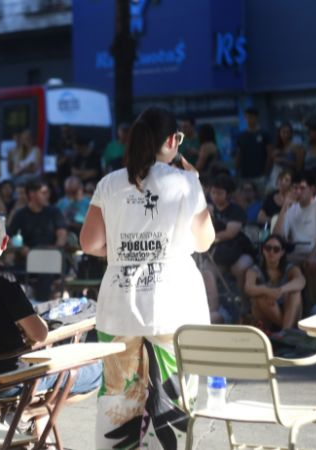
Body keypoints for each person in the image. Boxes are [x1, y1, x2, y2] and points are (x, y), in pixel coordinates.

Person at [80, 107, 215, 449]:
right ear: (172, 141)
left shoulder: (110, 183)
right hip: (172, 306)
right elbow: (204, 241)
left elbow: (89, 243)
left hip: (119, 306)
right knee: (174, 395)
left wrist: (127, 247)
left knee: (118, 397)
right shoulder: (186, 182)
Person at [0, 209, 102, 421]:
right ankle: (22, 414)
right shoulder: (1, 280)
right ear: (4, 243)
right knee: (95, 370)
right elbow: (40, 334)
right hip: (10, 381)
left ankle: (11, 426)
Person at [272, 170, 316, 312]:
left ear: (312, 189)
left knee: (312, 264)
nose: (298, 192)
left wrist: (313, 255)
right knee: (273, 259)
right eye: (295, 188)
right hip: (299, 253)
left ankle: (313, 310)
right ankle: (282, 308)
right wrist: (285, 207)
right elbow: (277, 238)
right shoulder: (292, 209)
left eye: (302, 188)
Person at [6, 179, 67, 300]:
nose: (47, 196)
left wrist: (55, 249)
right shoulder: (21, 214)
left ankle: (40, 305)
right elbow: (9, 236)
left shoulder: (54, 212)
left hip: (51, 258)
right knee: (4, 274)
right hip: (28, 259)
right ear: (32, 194)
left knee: (46, 269)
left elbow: (62, 234)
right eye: (43, 193)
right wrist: (21, 248)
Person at [244, 234, 305, 331]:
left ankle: (285, 331)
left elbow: (301, 281)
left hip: (289, 308)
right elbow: (248, 288)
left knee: (295, 293)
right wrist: (267, 291)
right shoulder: (254, 270)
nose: (271, 252)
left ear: (282, 252)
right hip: (267, 315)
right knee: (260, 296)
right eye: (268, 248)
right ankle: (285, 330)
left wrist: (281, 290)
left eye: (276, 249)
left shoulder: (290, 268)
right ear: (263, 250)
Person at [207, 175, 255, 296]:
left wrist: (209, 239)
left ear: (228, 194)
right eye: (213, 192)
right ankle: (214, 305)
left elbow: (229, 234)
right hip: (218, 253)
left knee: (239, 268)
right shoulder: (208, 208)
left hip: (239, 251)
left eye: (220, 193)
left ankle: (242, 299)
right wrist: (207, 215)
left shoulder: (236, 211)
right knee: (207, 272)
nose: (215, 196)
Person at [234, 107, 272, 189]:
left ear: (256, 118)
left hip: (260, 174)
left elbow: (270, 154)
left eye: (251, 117)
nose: (248, 120)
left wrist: (266, 170)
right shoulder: (241, 136)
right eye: (247, 118)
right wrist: (237, 170)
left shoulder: (264, 134)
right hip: (245, 175)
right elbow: (238, 154)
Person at [267, 123, 303, 193]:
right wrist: (272, 157)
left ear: (291, 134)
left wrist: (284, 161)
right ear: (279, 133)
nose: (286, 135)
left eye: (288, 132)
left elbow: (299, 166)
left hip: (289, 177)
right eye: (283, 132)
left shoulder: (297, 148)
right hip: (275, 177)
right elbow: (269, 165)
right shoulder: (276, 148)